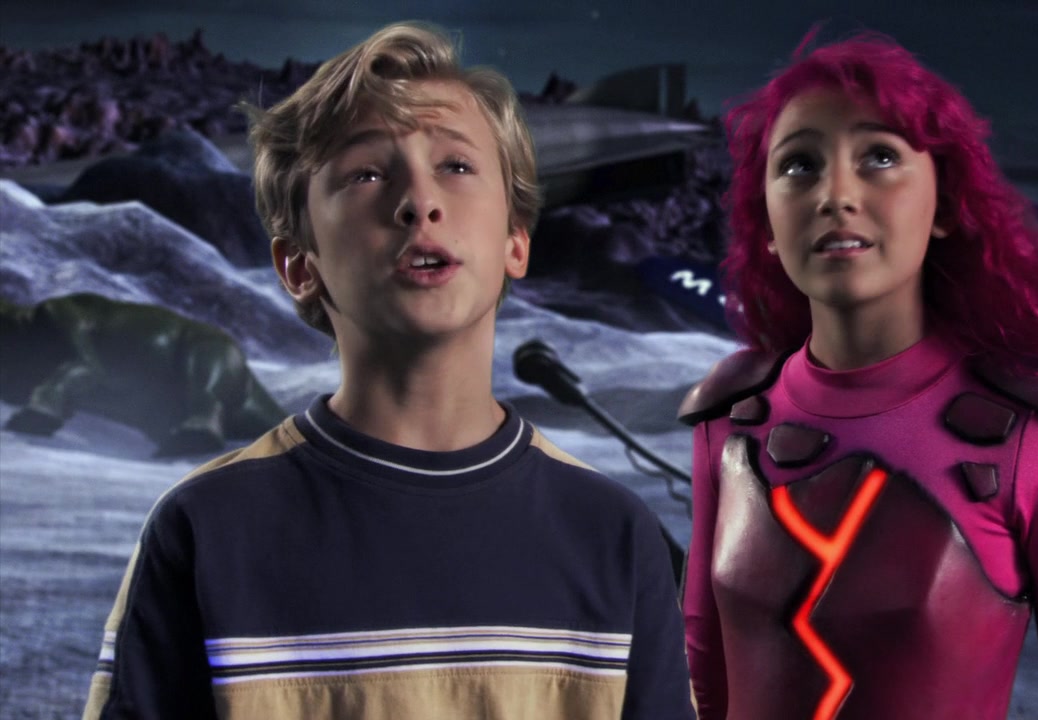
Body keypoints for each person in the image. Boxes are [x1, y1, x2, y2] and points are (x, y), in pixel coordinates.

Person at [83, 21, 693, 719]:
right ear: (299, 266)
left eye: (456, 166)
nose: (419, 203)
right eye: (366, 174)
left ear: (516, 241)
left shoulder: (616, 535)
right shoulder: (205, 531)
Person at [678, 31, 1038, 720]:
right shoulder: (725, 420)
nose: (835, 194)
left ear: (944, 204)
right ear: (764, 219)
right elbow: (702, 684)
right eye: (799, 165)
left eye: (880, 156)